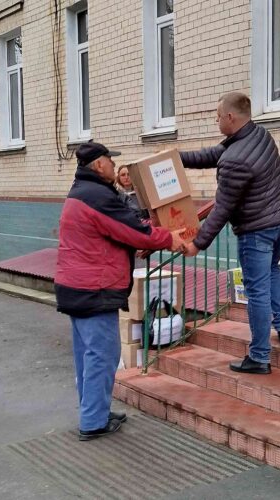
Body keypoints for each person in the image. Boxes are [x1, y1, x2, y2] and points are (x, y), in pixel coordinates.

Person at [55, 142, 186, 441]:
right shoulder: (97, 196)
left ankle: (94, 410)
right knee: (103, 355)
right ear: (99, 165)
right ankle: (92, 421)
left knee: (87, 355)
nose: (115, 167)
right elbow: (131, 229)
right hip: (93, 289)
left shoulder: (82, 191)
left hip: (76, 286)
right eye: (110, 162)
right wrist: (170, 238)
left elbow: (115, 232)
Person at [179, 92, 280, 375]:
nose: (216, 120)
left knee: (256, 291)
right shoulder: (258, 134)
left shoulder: (236, 160)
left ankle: (259, 357)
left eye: (218, 116)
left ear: (230, 117)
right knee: (271, 272)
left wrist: (197, 243)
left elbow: (221, 209)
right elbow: (216, 153)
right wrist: (176, 158)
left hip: (257, 229)